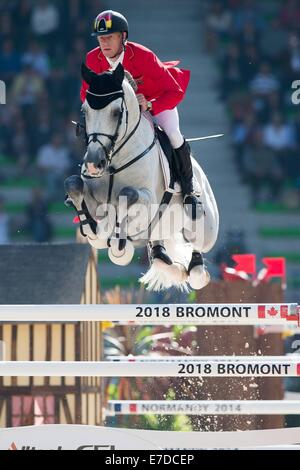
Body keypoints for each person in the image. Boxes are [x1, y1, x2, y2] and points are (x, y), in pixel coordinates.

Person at [80, 9, 201, 217]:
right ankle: (91, 185)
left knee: (173, 134)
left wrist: (151, 105)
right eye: (101, 38)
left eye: (109, 37)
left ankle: (190, 191)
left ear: (123, 37)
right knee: (99, 138)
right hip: (120, 114)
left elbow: (175, 91)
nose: (104, 43)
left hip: (156, 102)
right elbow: (87, 95)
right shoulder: (93, 59)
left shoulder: (143, 56)